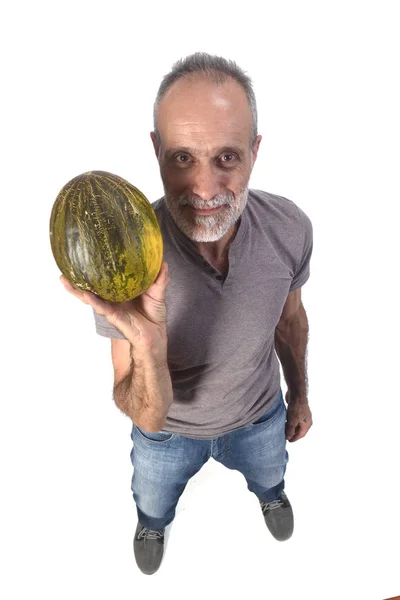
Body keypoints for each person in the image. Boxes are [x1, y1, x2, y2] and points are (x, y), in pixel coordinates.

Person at [61, 52, 313, 575]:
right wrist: (149, 345)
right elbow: (144, 413)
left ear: (255, 151)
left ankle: (270, 493)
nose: (203, 189)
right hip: (166, 434)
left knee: (271, 473)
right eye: (181, 158)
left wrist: (301, 396)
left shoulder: (289, 227)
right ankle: (153, 520)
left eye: (226, 158)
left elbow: (291, 323)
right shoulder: (121, 262)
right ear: (155, 150)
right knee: (152, 495)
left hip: (260, 415)